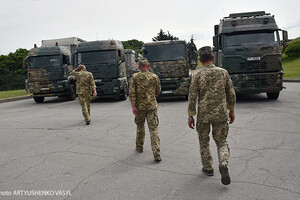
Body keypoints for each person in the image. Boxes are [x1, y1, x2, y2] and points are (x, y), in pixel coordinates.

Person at [187, 46, 236, 185]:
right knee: (221, 141)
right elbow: (231, 93)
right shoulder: (223, 73)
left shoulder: (197, 75)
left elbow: (192, 97)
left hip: (203, 115)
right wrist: (231, 110)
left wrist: (191, 115)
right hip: (220, 114)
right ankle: (224, 163)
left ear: (200, 60)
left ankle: (208, 167)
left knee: (204, 141)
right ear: (213, 58)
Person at [129, 58, 162, 162]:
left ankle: (139, 146)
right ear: (148, 66)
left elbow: (132, 93)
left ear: (139, 67)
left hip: (140, 107)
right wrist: (151, 96)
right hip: (151, 106)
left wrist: (133, 106)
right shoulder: (154, 77)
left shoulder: (134, 77)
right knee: (153, 129)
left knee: (140, 126)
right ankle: (156, 152)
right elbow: (158, 91)